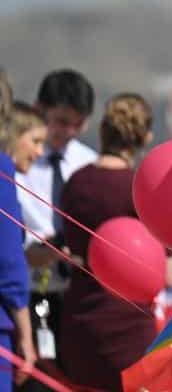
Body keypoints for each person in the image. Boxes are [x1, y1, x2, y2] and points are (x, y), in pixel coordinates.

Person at [57, 93, 157, 392]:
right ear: (145, 137)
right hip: (131, 330)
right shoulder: (141, 190)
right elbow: (166, 274)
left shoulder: (75, 183)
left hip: (78, 325)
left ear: (102, 132)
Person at [17, 69, 97, 353]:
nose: (69, 132)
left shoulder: (89, 164)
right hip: (26, 291)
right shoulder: (18, 165)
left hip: (75, 295)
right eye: (62, 122)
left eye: (78, 124)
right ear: (40, 110)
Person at [0, 102, 43, 389]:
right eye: (35, 141)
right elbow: (8, 262)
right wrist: (27, 338)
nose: (39, 152)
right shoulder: (3, 171)